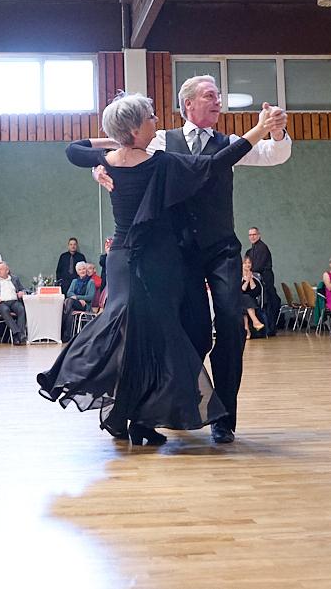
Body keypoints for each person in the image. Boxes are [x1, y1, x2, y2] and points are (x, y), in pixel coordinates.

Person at [38, 92, 285, 446]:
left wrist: (115, 140)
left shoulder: (110, 158)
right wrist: (259, 128)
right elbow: (218, 163)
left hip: (124, 259)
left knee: (130, 336)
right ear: (137, 129)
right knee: (157, 339)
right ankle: (141, 416)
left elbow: (73, 149)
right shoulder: (160, 161)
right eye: (150, 118)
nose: (157, 121)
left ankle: (132, 416)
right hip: (156, 262)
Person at [245, 227, 281, 335]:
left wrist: (248, 272)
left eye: (254, 234)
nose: (252, 237)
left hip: (265, 279)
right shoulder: (252, 249)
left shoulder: (262, 248)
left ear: (259, 235)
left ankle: (269, 328)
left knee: (268, 301)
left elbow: (258, 266)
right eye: (250, 235)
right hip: (260, 278)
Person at [61, 261, 97, 342]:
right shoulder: (74, 281)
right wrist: (78, 299)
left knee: (69, 301)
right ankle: (67, 336)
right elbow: (69, 293)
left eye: (83, 269)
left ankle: (63, 326)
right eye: (80, 270)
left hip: (84, 306)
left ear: (86, 270)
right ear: (77, 272)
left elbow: (90, 297)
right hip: (74, 305)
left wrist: (77, 297)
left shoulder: (91, 282)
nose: (82, 271)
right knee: (70, 310)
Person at [240, 256, 266, 338]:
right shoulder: (237, 276)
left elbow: (255, 291)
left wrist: (250, 278)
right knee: (244, 297)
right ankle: (255, 322)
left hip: (251, 302)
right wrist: (247, 280)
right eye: (245, 263)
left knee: (246, 299)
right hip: (239, 300)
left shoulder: (255, 276)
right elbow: (241, 290)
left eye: (249, 263)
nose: (247, 265)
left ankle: (246, 328)